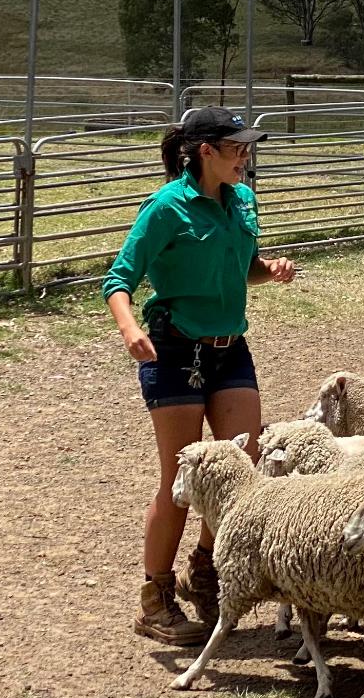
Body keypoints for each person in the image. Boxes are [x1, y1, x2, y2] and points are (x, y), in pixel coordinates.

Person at [102, 106, 295, 646]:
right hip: (174, 347)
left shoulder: (243, 200)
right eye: (237, 148)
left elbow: (242, 266)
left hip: (230, 345)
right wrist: (129, 329)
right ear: (206, 151)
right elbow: (118, 278)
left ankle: (203, 570)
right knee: (178, 481)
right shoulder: (167, 207)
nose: (246, 156)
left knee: (241, 462)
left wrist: (268, 270)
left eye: (247, 148)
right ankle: (155, 599)